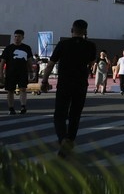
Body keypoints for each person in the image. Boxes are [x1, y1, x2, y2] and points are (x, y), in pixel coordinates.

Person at [41, 19, 96, 158]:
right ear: (85, 31)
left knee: (60, 114)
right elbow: (91, 63)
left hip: (64, 84)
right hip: (81, 85)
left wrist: (44, 80)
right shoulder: (90, 46)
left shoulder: (63, 44)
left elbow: (50, 64)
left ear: (72, 30)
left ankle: (62, 139)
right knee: (75, 115)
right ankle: (70, 140)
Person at [0, 29, 34, 115]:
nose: (17, 38)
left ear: (22, 37)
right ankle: (11, 108)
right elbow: (2, 62)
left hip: (23, 72)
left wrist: (31, 71)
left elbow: (29, 61)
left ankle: (23, 106)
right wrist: (1, 74)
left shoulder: (26, 48)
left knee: (23, 89)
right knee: (10, 90)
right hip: (10, 73)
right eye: (15, 36)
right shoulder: (8, 48)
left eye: (19, 36)